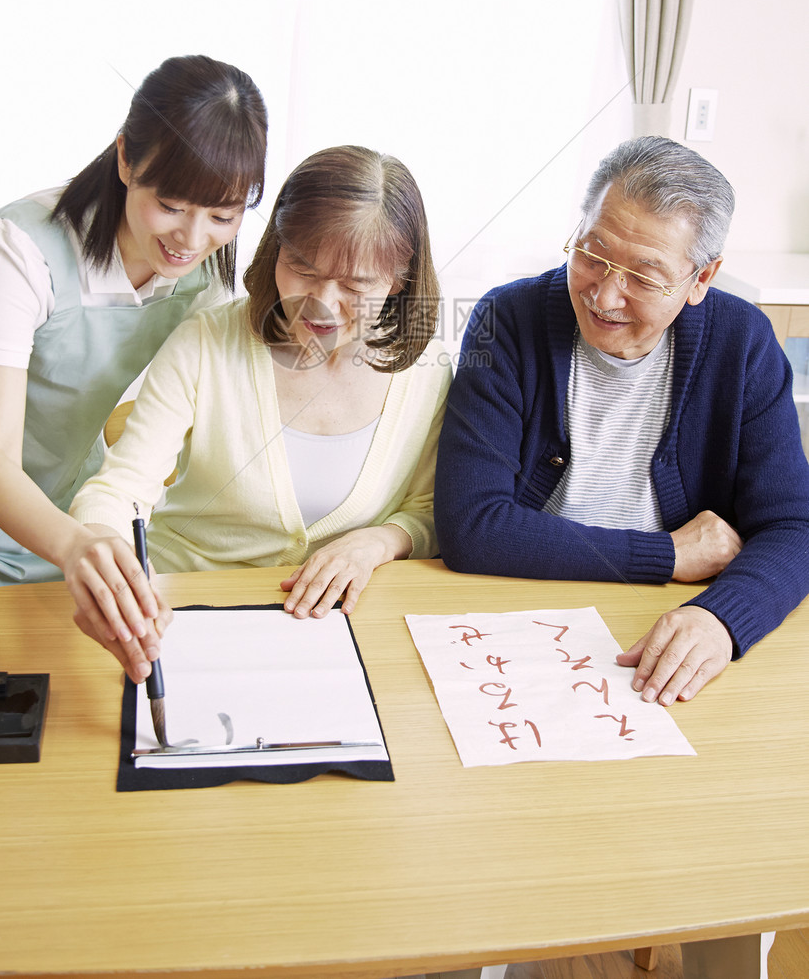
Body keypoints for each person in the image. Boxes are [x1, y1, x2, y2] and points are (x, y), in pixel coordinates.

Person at [435, 135, 806, 979]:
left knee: (738, 855)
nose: (604, 294)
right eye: (591, 254)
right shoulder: (507, 320)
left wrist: (721, 618)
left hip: (666, 638)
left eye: (642, 277)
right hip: (521, 632)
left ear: (701, 280)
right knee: (493, 873)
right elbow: (474, 525)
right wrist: (665, 557)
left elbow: (795, 526)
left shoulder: (744, 346)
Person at [69, 144, 452, 682]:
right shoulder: (206, 342)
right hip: (180, 618)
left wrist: (378, 541)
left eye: (355, 285)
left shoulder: (426, 372)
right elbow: (118, 489)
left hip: (339, 634)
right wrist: (106, 557)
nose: (320, 302)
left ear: (398, 280)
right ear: (276, 250)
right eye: (302, 267)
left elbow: (433, 509)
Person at [0, 54, 268, 642]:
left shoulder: (206, 273)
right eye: (170, 206)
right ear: (125, 158)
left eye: (223, 215)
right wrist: (75, 545)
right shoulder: (21, 253)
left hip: (73, 498)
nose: (191, 240)